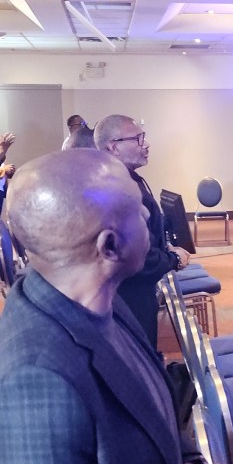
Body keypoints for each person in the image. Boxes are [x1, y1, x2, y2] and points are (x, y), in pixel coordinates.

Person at [0, 149, 233, 464]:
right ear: (109, 246)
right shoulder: (34, 382)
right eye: (136, 209)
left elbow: (143, 410)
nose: (149, 214)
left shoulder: (101, 298)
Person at [94, 114, 190, 348]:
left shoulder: (127, 179)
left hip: (133, 293)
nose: (145, 144)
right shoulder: (116, 188)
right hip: (129, 297)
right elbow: (136, 256)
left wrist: (164, 247)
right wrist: (173, 259)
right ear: (114, 146)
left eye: (143, 137)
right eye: (137, 139)